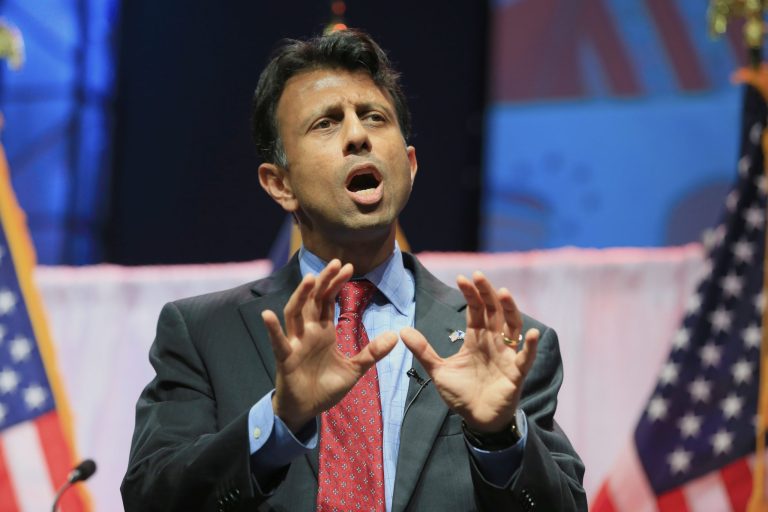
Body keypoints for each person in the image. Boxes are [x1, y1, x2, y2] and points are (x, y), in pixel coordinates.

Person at [121, 29, 586, 511]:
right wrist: (279, 422)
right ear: (279, 184)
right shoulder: (202, 334)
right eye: (326, 123)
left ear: (409, 165)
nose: (358, 135)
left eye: (374, 117)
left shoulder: (501, 345)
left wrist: (499, 437)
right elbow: (151, 499)